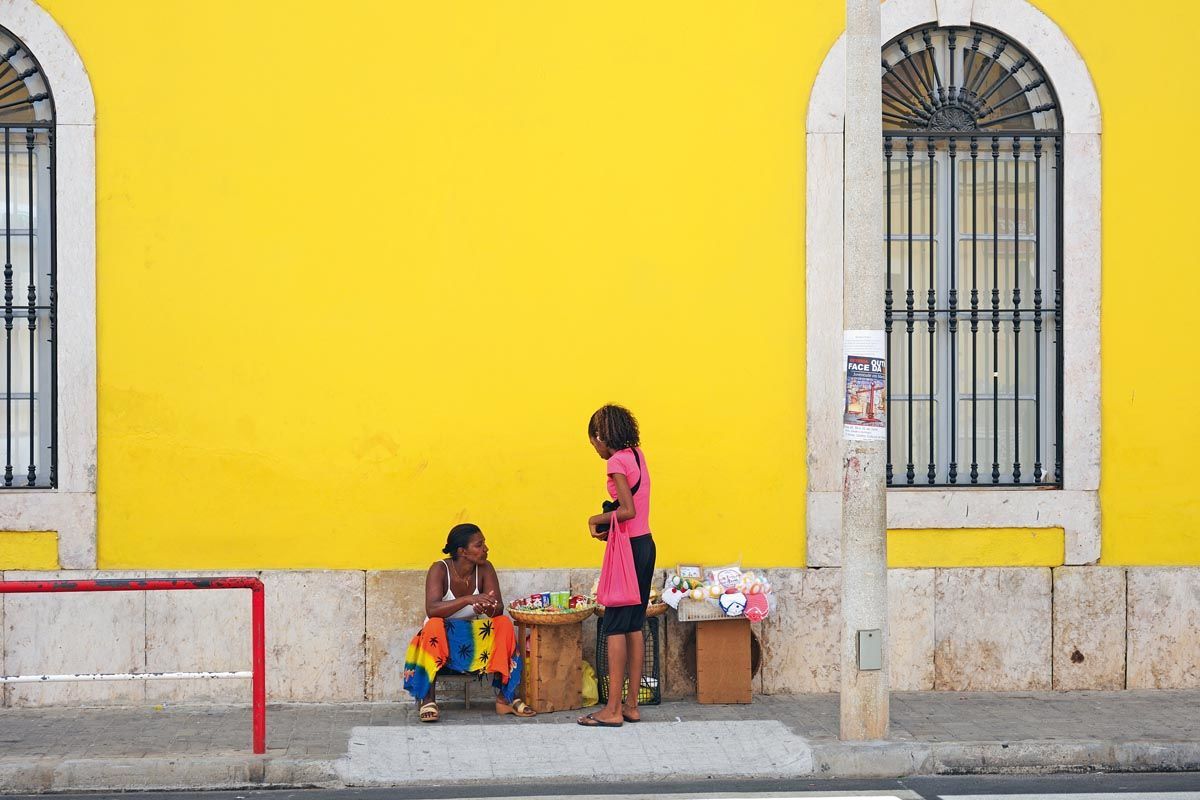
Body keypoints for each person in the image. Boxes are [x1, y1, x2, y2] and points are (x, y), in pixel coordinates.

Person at [402, 523, 536, 722]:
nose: (486, 549)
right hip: (441, 636)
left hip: (472, 636)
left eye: (484, 544)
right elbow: (432, 609)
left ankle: (506, 697)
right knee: (433, 625)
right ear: (462, 551)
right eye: (479, 545)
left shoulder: (485, 568)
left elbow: (498, 608)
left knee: (503, 623)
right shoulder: (439, 569)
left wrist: (488, 607)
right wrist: (468, 599)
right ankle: (428, 699)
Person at [578, 404, 655, 728]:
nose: (595, 449)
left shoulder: (615, 461)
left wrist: (594, 519)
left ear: (601, 436)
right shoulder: (637, 455)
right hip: (645, 545)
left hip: (628, 551)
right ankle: (631, 705)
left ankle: (611, 710)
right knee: (634, 625)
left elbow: (627, 510)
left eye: (593, 442)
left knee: (614, 626)